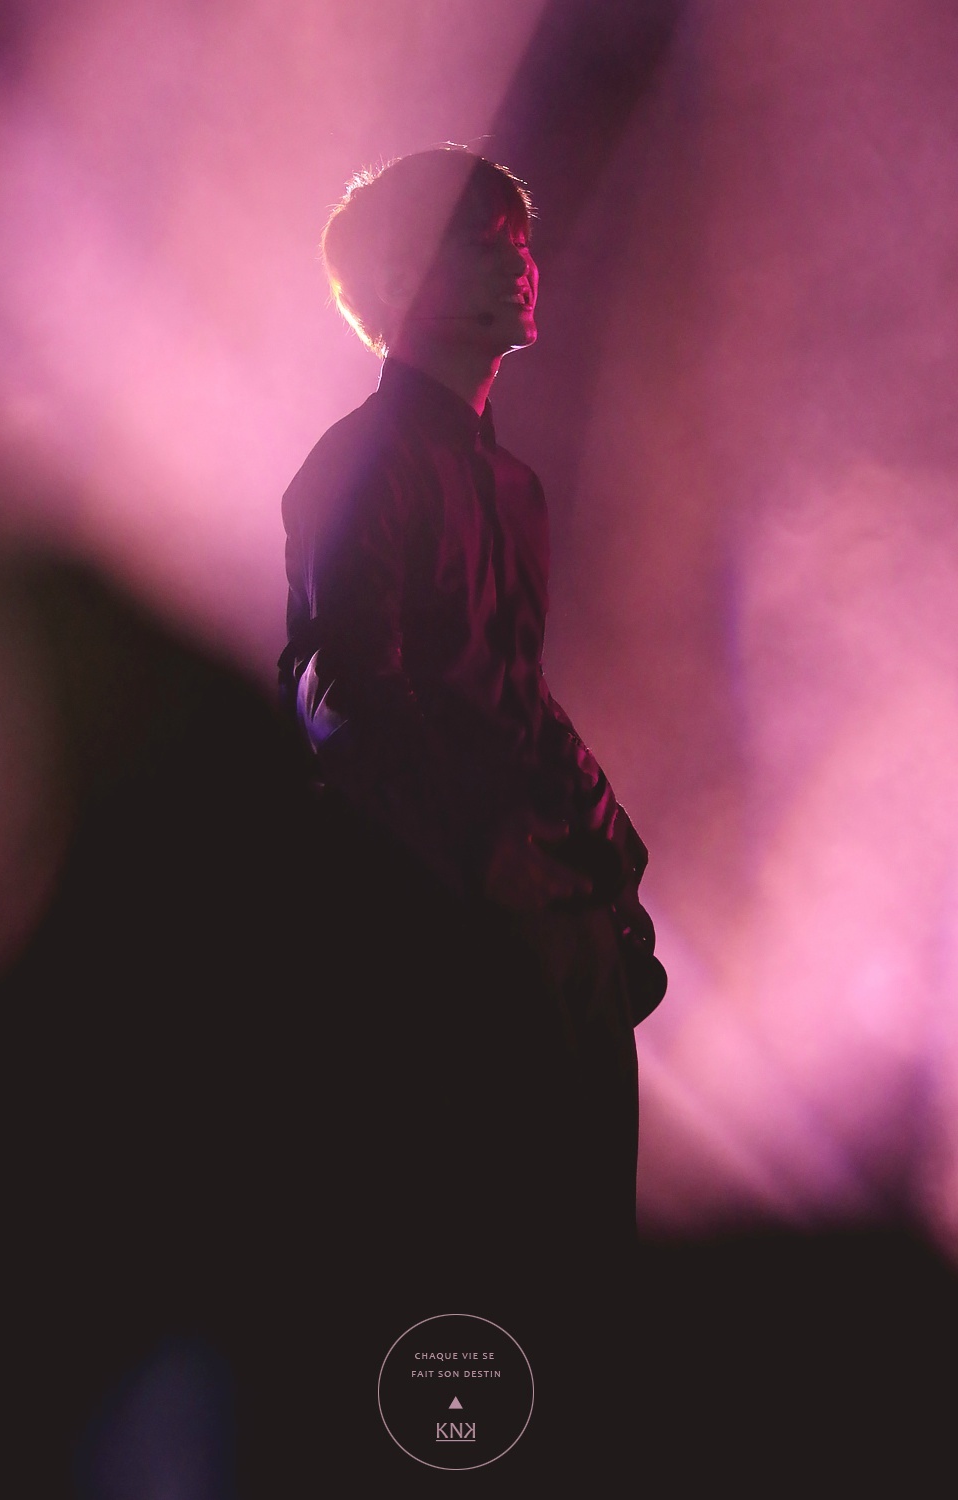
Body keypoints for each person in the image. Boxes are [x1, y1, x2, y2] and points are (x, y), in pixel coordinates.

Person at [277, 145, 666, 1490]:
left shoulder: (515, 489)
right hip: (443, 942)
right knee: (463, 1282)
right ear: (399, 280)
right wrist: (491, 868)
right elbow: (341, 690)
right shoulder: (358, 468)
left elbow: (511, 690)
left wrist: (609, 861)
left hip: (539, 933)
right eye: (479, 239)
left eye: (519, 236)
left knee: (571, 1289)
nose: (519, 262)